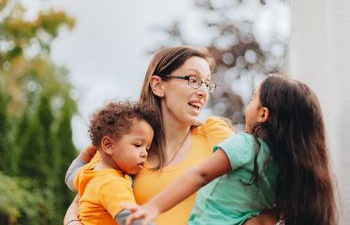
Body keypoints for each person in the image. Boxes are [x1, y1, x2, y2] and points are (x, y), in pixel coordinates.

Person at [64, 46, 277, 225]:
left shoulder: (216, 134)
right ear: (158, 85)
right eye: (193, 80)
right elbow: (79, 204)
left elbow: (269, 188)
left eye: (206, 84)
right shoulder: (123, 142)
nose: (203, 92)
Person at [122, 74, 338, 225]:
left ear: (263, 114)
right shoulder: (288, 171)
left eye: (253, 99)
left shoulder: (245, 145)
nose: (248, 105)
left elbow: (199, 175)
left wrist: (154, 207)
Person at [67, 100, 157, 225]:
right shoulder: (111, 183)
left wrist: (88, 151)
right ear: (108, 145)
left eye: (147, 148)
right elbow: (133, 220)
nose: (145, 153)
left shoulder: (89, 172)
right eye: (137, 145)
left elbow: (70, 176)